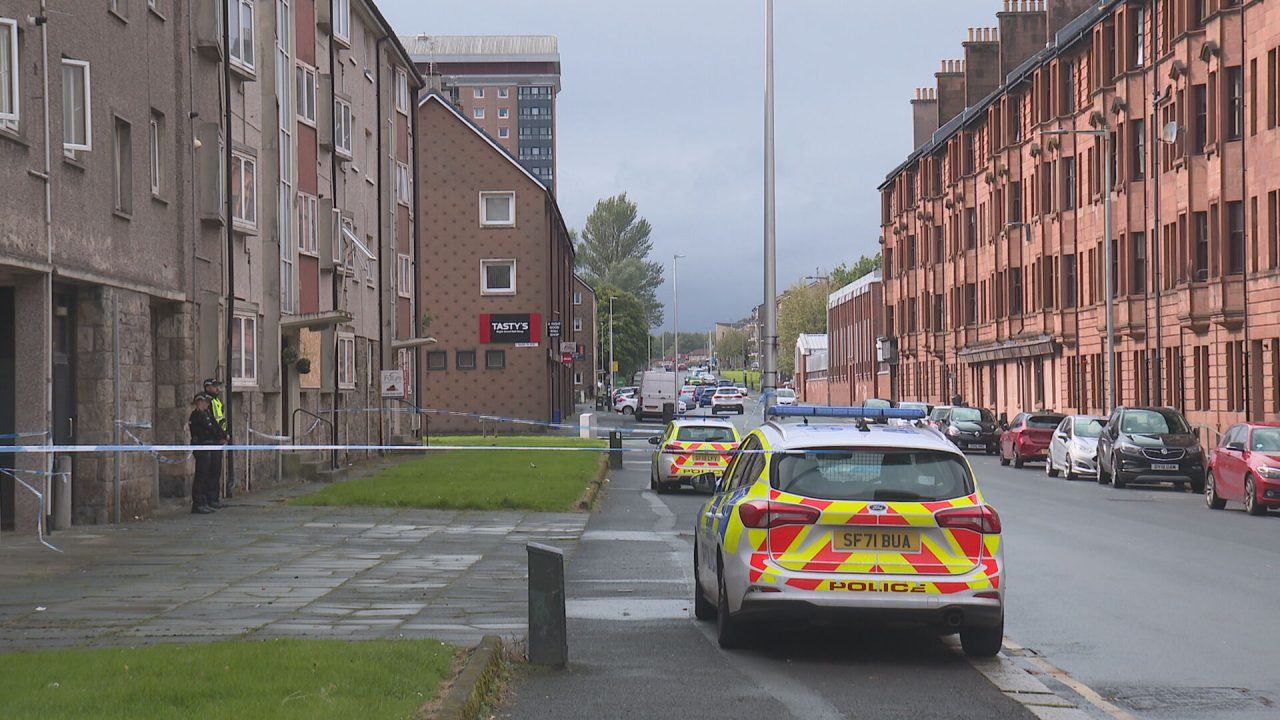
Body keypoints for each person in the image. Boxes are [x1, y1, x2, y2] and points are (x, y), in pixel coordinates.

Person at [188, 393, 221, 514]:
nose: (207, 404)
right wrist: (215, 434)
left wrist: (222, 436)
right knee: (201, 475)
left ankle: (204, 501)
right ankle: (197, 503)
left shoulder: (206, 414)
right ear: (199, 403)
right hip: (201, 447)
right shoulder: (196, 415)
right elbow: (207, 429)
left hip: (209, 446)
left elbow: (215, 426)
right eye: (205, 402)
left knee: (207, 474)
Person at [203, 378, 230, 499]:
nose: (218, 389)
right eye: (215, 386)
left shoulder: (217, 401)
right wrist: (221, 435)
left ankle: (214, 497)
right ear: (208, 387)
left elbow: (221, 420)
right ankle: (209, 498)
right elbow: (213, 422)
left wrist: (225, 434)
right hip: (213, 439)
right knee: (211, 470)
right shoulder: (208, 401)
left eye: (218, 386)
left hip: (219, 438)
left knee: (216, 470)